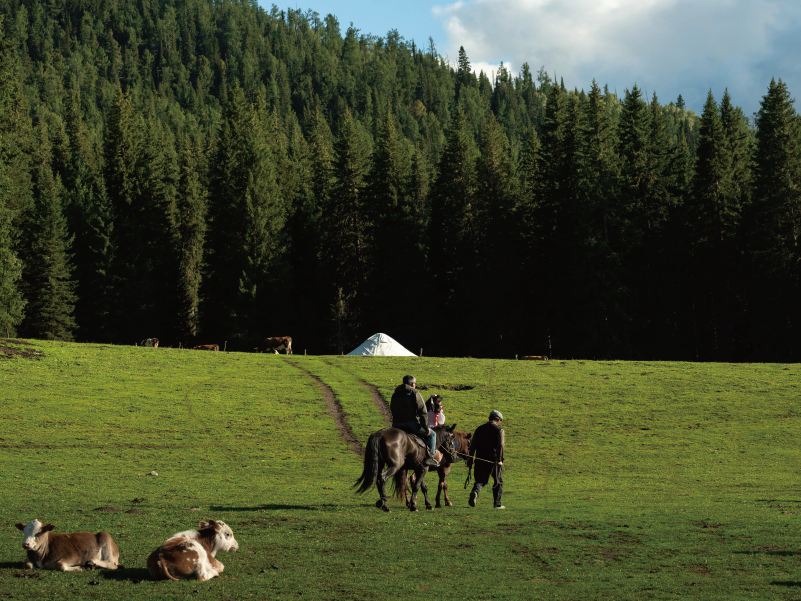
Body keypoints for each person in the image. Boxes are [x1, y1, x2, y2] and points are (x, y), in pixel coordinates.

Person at [390, 375, 439, 468]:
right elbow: (423, 411)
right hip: (411, 424)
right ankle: (430, 458)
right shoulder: (414, 393)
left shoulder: (395, 394)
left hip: (396, 424)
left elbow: (392, 409)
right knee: (432, 435)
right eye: (415, 383)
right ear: (412, 384)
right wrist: (425, 427)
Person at [467, 410, 505, 509]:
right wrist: (500, 460)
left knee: (481, 480)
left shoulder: (479, 429)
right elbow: (500, 445)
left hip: (480, 459)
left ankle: (475, 492)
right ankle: (497, 504)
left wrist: (470, 459)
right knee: (498, 481)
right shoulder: (499, 430)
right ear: (498, 419)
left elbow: (473, 446)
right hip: (493, 460)